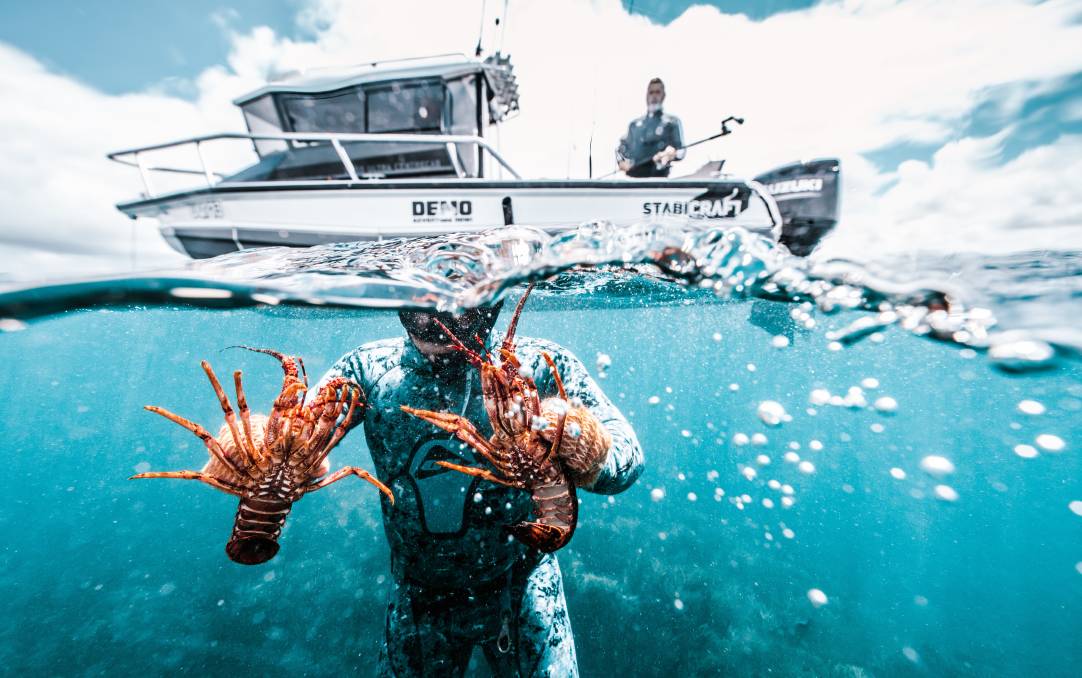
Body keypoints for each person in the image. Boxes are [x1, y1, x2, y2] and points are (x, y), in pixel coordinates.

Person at [309, 299, 644, 677]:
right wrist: (261, 447)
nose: (440, 321)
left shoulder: (542, 364)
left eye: (463, 306)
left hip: (524, 585)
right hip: (417, 595)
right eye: (421, 305)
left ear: (492, 301)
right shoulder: (366, 370)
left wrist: (589, 447)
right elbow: (298, 427)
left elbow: (627, 453)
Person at [616, 77, 685, 178]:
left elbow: (681, 151)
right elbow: (620, 150)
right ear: (646, 95)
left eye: (657, 92)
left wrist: (670, 153)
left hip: (659, 178)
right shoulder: (634, 125)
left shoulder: (672, 122)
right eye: (651, 92)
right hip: (634, 179)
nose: (654, 96)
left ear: (663, 95)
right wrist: (621, 162)